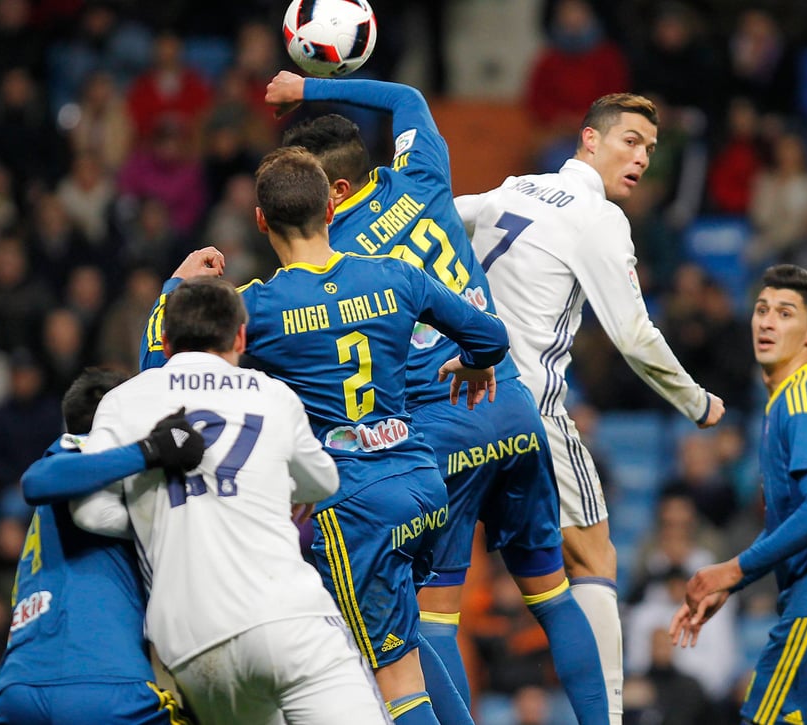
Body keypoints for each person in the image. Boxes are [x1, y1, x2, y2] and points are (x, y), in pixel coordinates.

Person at [266, 71, 608, 724]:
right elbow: (409, 100)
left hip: (438, 428)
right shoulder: (419, 175)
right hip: (509, 403)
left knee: (432, 621)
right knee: (553, 593)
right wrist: (307, 88)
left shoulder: (332, 258)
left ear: (333, 191)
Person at [135, 147, 510, 724]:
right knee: (402, 642)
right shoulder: (395, 274)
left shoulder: (254, 307)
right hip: (421, 482)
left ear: (261, 222)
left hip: (352, 502)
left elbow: (160, 375)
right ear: (332, 208)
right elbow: (490, 336)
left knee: (394, 678)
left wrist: (173, 288)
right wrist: (476, 362)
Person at [454, 91, 727, 724]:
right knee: (594, 559)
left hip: (459, 406)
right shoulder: (599, 218)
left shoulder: (514, 189)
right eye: (630, 141)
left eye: (652, 150)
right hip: (530, 412)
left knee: (441, 593)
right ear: (589, 140)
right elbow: (633, 336)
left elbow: (438, 217)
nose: (642, 159)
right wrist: (697, 401)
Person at [74, 275, 392, 725]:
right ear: (240, 336)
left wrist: (160, 513)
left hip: (191, 642)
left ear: (165, 343)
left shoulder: (124, 400)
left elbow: (86, 508)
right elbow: (323, 479)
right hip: (285, 616)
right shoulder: (270, 392)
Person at [670, 264, 807, 725]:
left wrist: (732, 569)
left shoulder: (801, 399)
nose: (767, 322)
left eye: (785, 313)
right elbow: (798, 521)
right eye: (761, 310)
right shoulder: (800, 400)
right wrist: (739, 582)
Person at [0, 367, 206, 725]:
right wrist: (152, 448)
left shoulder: (77, 487)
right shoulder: (84, 452)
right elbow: (36, 480)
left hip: (16, 693)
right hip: (104, 687)